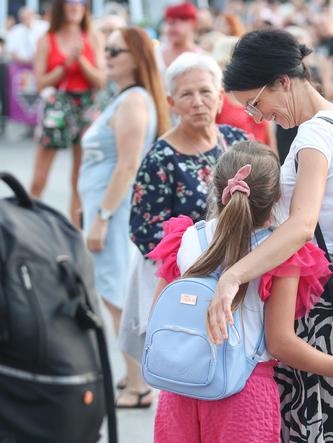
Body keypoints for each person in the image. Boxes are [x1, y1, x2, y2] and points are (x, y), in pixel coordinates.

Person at [147, 142, 333, 442]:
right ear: (278, 196)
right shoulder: (280, 253)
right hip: (242, 392)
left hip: (178, 388)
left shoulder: (187, 238)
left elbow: (156, 315)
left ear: (217, 188)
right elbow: (280, 343)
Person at [213, 29, 333, 441]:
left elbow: (302, 226)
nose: (257, 117)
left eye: (256, 103)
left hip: (314, 307)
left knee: (314, 425)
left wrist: (233, 277)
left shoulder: (314, 138)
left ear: (283, 81)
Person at [120, 53, 247, 407]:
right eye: (187, 95)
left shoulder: (235, 140)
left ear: (221, 96)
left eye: (206, 92)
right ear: (171, 103)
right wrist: (198, 260)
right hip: (187, 284)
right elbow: (144, 231)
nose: (198, 102)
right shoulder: (161, 157)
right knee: (192, 373)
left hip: (240, 276)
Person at [78, 27, 169, 408]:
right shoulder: (125, 98)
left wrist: (101, 216)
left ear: (136, 57)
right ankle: (132, 375)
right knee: (114, 293)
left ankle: (138, 384)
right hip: (106, 209)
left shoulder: (134, 101)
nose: (108, 54)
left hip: (112, 213)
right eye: (108, 47)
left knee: (117, 296)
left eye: (117, 50)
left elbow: (128, 165)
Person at [31, 0, 105, 229]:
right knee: (39, 177)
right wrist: (66, 64)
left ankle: (74, 234)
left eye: (81, 2)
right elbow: (40, 83)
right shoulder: (47, 39)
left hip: (85, 104)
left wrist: (81, 60)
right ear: (61, 6)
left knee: (79, 178)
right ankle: (28, 225)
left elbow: (101, 81)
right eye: (70, 2)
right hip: (57, 104)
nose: (75, 6)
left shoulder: (93, 38)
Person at [159, 2, 201, 69]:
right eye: (168, 23)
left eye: (175, 23)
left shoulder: (201, 58)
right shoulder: (156, 54)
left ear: (192, 24)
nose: (170, 28)